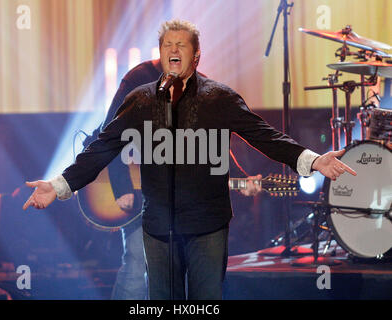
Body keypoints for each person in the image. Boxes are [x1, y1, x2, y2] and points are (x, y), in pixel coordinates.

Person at [23, 19, 356, 300]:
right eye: (168, 44)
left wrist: (312, 160)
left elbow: (263, 135)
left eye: (181, 45)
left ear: (196, 56)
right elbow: (104, 145)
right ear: (160, 53)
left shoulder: (219, 97)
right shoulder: (140, 98)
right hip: (157, 225)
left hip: (207, 226)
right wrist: (59, 185)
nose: (174, 50)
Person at [83, 58, 262, 299]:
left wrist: (241, 179)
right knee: (137, 261)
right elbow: (110, 131)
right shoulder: (139, 77)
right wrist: (122, 186)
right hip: (133, 183)